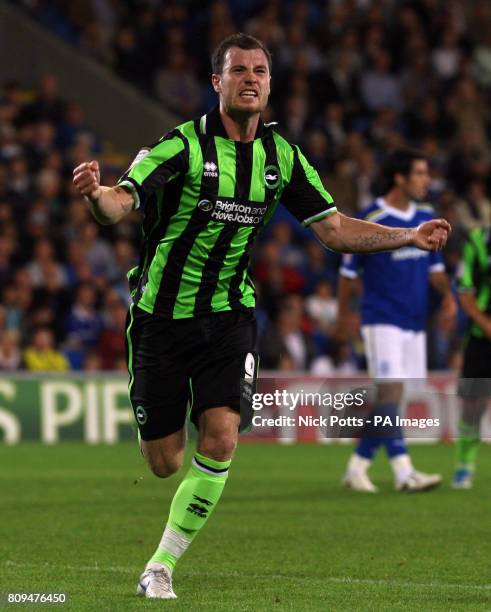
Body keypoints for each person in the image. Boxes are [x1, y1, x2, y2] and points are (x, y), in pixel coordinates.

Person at [73, 35, 450, 599]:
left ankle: (160, 565)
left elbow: (335, 230)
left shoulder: (283, 158)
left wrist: (409, 236)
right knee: (164, 462)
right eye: (238, 70)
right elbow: (119, 204)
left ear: (270, 84)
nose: (250, 78)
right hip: (161, 319)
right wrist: (94, 195)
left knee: (222, 438)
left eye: (260, 71)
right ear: (217, 83)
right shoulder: (179, 148)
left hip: (231, 314)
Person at [337, 149, 456, 493]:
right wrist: (345, 316)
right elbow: (347, 274)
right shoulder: (371, 217)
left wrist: (447, 297)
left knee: (394, 397)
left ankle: (357, 467)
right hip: (381, 318)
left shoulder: (426, 215)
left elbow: (434, 268)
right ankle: (405, 472)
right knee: (389, 391)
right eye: (419, 173)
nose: (426, 179)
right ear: (399, 178)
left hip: (415, 321)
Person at [452, 227, 491, 489]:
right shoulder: (479, 241)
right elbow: (465, 290)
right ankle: (465, 463)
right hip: (482, 337)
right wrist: (485, 323)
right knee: (473, 405)